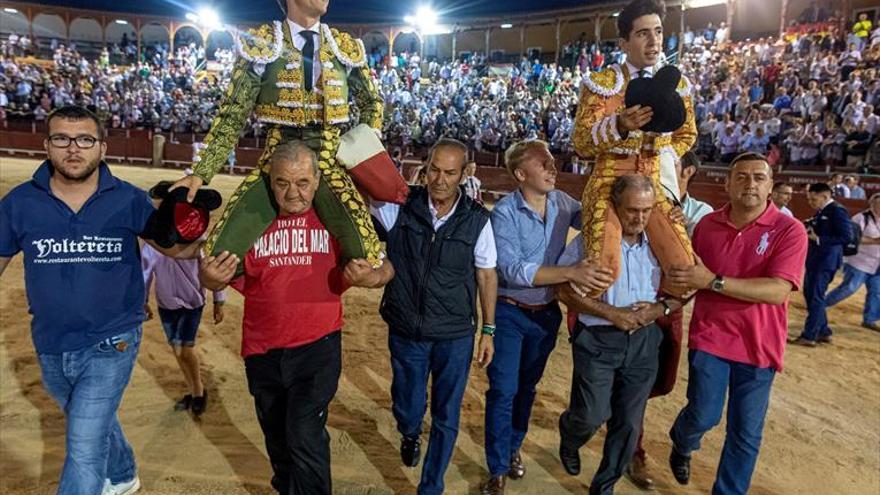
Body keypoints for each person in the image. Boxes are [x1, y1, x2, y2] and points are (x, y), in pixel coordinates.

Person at [0, 106, 201, 495]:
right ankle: (124, 473)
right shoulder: (19, 203)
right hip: (50, 342)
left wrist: (204, 231)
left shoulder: (129, 199)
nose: (73, 149)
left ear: (102, 148)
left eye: (85, 140)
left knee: (83, 447)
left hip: (114, 339)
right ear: (47, 145)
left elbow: (176, 250)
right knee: (87, 418)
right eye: (62, 138)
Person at [199, 141, 394, 495]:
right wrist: (209, 279)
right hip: (261, 350)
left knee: (304, 435)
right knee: (278, 440)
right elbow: (215, 272)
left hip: (317, 349)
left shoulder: (338, 219)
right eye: (283, 183)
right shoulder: (249, 222)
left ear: (318, 180)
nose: (294, 194)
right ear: (269, 181)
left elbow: (385, 268)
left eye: (303, 182)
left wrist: (371, 277)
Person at [171, 0, 386, 270]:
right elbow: (233, 113)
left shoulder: (344, 46)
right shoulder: (262, 42)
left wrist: (358, 153)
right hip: (276, 163)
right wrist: (201, 172)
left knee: (365, 255)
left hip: (328, 163)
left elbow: (372, 102)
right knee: (220, 256)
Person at [666, 152, 808, 495]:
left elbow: (777, 291)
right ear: (727, 184)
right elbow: (688, 278)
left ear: (771, 186)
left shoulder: (790, 230)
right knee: (703, 415)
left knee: (745, 433)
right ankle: (683, 441)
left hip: (760, 344)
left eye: (759, 177)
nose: (750, 183)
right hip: (711, 337)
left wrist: (714, 281)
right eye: (741, 177)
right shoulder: (706, 227)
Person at [481, 140, 614, 494]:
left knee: (525, 388)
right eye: (544, 163)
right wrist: (570, 273)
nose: (553, 168)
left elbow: (595, 215)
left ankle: (512, 448)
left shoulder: (560, 202)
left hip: (545, 316)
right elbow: (511, 270)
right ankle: (496, 466)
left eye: (553, 162)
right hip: (509, 311)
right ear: (522, 174)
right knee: (505, 390)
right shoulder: (504, 213)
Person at [371, 138, 497, 495]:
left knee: (446, 414)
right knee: (408, 406)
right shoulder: (400, 205)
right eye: (434, 170)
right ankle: (410, 431)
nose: (440, 180)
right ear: (425, 168)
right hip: (406, 328)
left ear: (465, 174)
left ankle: (431, 486)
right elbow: (359, 188)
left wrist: (488, 329)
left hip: (455, 334)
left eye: (450, 173)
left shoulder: (477, 220)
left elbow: (487, 274)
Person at [556, 175, 686, 495]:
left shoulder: (663, 243)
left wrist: (658, 310)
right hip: (598, 340)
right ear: (615, 205)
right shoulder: (590, 241)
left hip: (645, 342)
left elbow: (683, 289)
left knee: (628, 423)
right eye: (631, 210)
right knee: (590, 415)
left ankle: (604, 486)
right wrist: (612, 314)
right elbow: (562, 290)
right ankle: (571, 436)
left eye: (646, 210)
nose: (639, 218)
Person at [571, 0, 697, 298]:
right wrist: (620, 126)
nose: (654, 41)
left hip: (653, 184)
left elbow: (687, 135)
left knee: (683, 267)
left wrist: (659, 152)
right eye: (643, 33)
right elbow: (581, 143)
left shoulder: (677, 84)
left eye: (658, 31)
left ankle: (650, 320)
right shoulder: (603, 83)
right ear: (624, 42)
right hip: (607, 183)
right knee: (604, 269)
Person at [625, 150, 713, 490]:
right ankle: (634, 447)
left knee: (660, 382)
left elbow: (698, 266)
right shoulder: (634, 198)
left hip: (667, 308)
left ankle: (625, 425)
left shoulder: (699, 214)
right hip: (630, 304)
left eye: (668, 164)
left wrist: (676, 226)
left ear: (687, 170)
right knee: (635, 387)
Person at [142, 184, 227, 415]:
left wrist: (219, 301)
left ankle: (198, 391)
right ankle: (192, 390)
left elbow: (214, 270)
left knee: (184, 350)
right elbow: (146, 271)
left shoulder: (200, 239)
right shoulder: (155, 242)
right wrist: (143, 300)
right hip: (166, 302)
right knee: (177, 349)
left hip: (192, 302)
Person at [791, 183, 853, 346]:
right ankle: (824, 331)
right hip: (818, 259)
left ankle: (809, 336)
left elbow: (846, 236)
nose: (810, 202)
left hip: (826, 260)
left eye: (813, 198)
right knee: (812, 295)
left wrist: (818, 239)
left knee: (815, 297)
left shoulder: (837, 210)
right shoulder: (824, 210)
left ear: (825, 196)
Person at [825, 193, 880, 332]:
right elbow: (851, 238)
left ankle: (870, 319)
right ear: (871, 204)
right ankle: (820, 305)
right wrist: (875, 241)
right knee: (849, 288)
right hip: (860, 261)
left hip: (878, 264)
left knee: (876, 292)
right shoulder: (861, 218)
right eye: (877, 204)